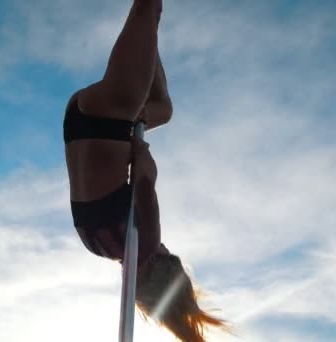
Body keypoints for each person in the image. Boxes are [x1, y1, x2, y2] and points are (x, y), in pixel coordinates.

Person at [63, 1, 228, 341]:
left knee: (148, 8)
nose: (166, 247)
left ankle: (147, 37)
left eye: (170, 255)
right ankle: (148, 44)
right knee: (162, 109)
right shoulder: (99, 246)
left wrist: (143, 154)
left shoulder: (145, 242)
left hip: (112, 115)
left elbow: (144, 181)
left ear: (164, 265)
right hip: (77, 122)